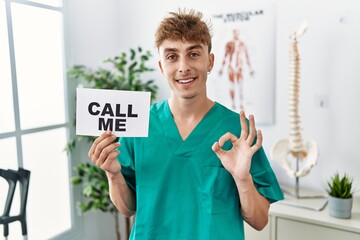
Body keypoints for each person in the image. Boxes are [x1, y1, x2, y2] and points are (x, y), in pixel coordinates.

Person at [88, 9, 283, 240]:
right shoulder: (138, 123)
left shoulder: (238, 131)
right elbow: (128, 208)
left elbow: (259, 221)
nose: (183, 67)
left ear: (209, 61)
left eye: (193, 54)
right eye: (172, 56)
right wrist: (113, 174)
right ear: (161, 67)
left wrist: (243, 179)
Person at [218, 28, 255, 111]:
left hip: (239, 66)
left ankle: (241, 103)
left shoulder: (242, 44)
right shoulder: (229, 44)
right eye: (235, 33)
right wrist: (221, 69)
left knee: (240, 85)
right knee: (231, 85)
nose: (236, 34)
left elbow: (246, 56)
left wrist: (250, 69)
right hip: (231, 66)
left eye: (237, 33)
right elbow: (225, 56)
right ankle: (233, 103)